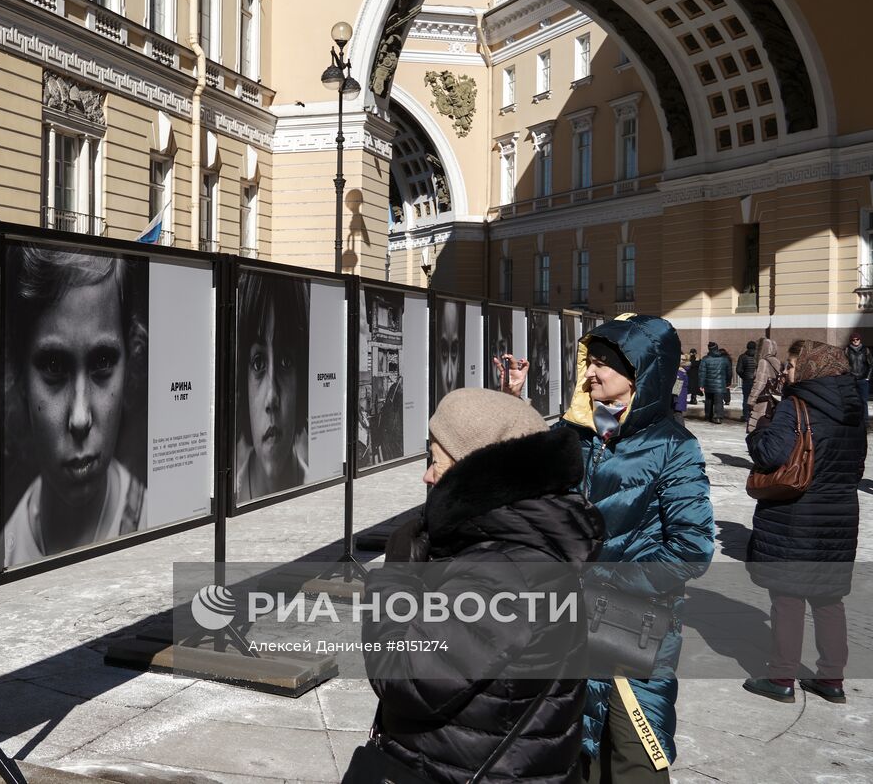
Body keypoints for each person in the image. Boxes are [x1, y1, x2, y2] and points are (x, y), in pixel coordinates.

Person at [500, 315, 715, 782]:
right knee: (574, 756)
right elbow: (534, 468)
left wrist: (601, 580)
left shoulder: (673, 446)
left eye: (602, 364)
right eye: (589, 362)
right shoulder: (580, 431)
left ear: (640, 371)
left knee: (636, 761)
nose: (589, 373)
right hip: (570, 629)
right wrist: (516, 402)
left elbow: (692, 549)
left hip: (631, 635)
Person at [355, 389, 604, 784]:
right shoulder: (515, 547)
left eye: (434, 461)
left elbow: (402, 678)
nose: (427, 476)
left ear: (470, 471)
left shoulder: (502, 572)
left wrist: (396, 578)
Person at [3, 246, 148, 564]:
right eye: (54, 366)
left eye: (103, 362)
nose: (80, 418)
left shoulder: (154, 525)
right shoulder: (4, 552)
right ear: (21, 374)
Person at [741, 341, 866, 705]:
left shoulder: (795, 406)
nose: (788, 372)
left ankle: (780, 676)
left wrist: (762, 425)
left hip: (795, 515)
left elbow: (769, 453)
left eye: (793, 365)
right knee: (829, 599)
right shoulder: (854, 410)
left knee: (788, 597)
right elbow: (856, 467)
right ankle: (832, 679)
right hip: (840, 516)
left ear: (811, 368)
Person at [234, 271, 309, 502]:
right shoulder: (229, 497)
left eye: (286, 362)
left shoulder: (316, 489)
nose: (271, 398)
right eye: (258, 363)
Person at [747, 337, 784, 435]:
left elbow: (760, 382)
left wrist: (751, 400)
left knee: (757, 425)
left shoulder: (763, 362)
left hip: (763, 398)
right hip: (773, 399)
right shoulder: (777, 361)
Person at [697, 342, 732, 424]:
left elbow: (702, 373)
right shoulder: (724, 359)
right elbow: (729, 372)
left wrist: (701, 384)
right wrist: (728, 382)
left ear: (709, 349)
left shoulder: (705, 359)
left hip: (708, 383)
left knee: (709, 400)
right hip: (720, 384)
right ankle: (718, 417)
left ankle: (708, 415)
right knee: (719, 401)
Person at [843, 332, 871, 423]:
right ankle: (854, 419)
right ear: (851, 341)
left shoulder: (865, 350)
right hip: (852, 380)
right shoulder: (847, 350)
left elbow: (871, 364)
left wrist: (868, 377)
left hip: (863, 380)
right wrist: (847, 377)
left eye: (857, 339)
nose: (855, 341)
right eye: (853, 340)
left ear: (860, 340)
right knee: (852, 401)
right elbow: (843, 365)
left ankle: (865, 420)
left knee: (863, 401)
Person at [735, 341, 758, 423]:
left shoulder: (742, 357)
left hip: (747, 380)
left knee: (746, 398)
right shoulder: (758, 357)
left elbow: (738, 370)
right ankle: (754, 416)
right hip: (756, 381)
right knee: (755, 398)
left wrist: (744, 376)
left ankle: (746, 416)